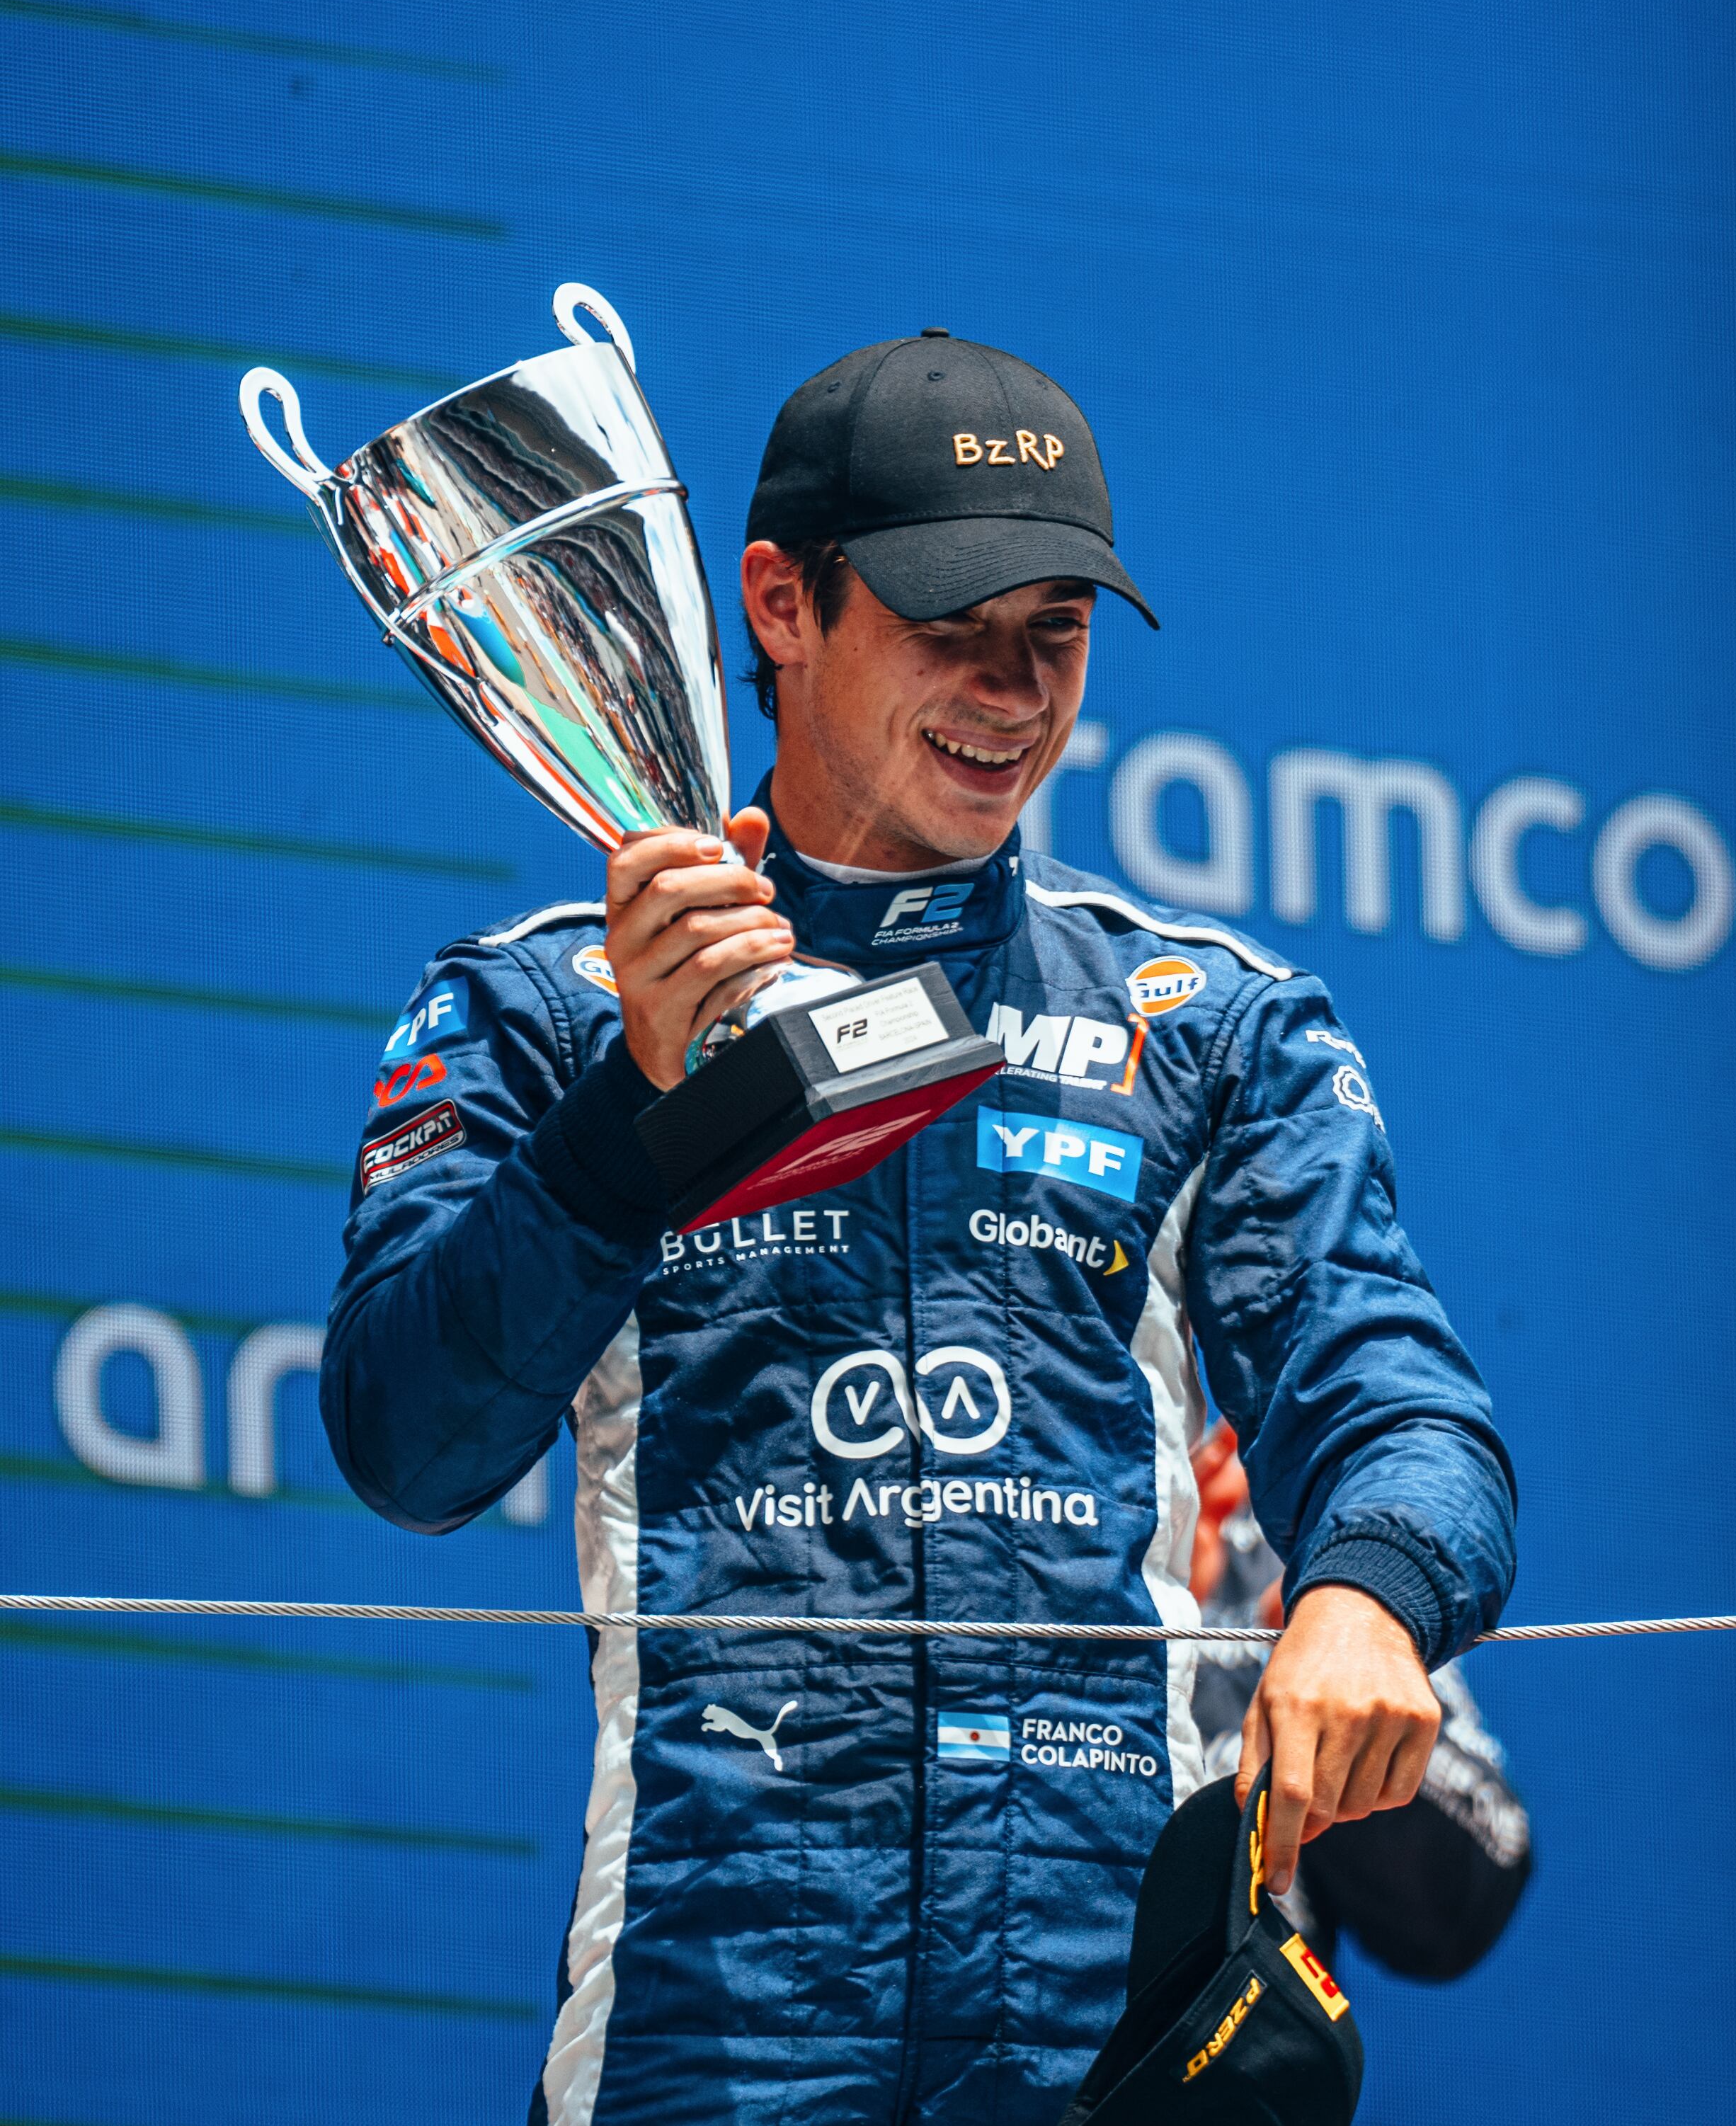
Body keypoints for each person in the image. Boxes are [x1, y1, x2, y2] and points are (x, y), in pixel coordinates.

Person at [320, 328, 1517, 2126]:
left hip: (1099, 2028)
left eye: (1059, 630)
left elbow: (1398, 1398)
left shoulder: (1208, 1023)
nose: (1011, 689)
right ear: (780, 603)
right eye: (952, 621)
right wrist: (634, 1110)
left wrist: (1365, 1597)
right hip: (709, 2025)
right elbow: (407, 1446)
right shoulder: (548, 1011)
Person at [1189, 1422, 1532, 1980]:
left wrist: (1347, 1649)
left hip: (1247, 2002)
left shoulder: (1339, 1522)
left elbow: (1469, 1896)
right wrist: (1139, 1640)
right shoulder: (1086, 1544)